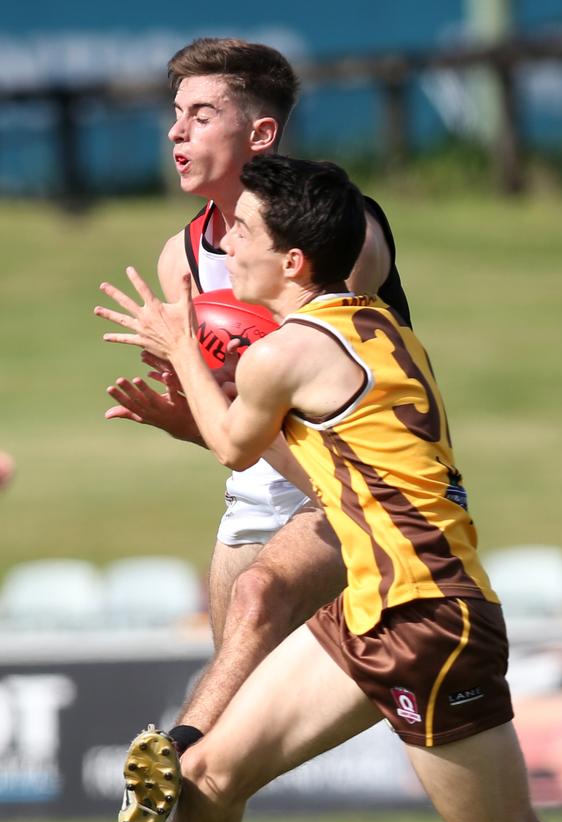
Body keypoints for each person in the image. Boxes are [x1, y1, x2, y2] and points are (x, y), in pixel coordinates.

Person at [96, 154, 562, 822]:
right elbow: (326, 477)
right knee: (206, 774)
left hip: (427, 617)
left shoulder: (284, 353)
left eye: (244, 233)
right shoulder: (376, 325)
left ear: (292, 260)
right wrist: (192, 422)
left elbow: (237, 446)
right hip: (372, 606)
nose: (227, 247)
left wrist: (182, 347)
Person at [104, 37, 411, 755]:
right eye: (175, 114)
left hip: (351, 486)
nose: (177, 132)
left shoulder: (340, 233)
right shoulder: (179, 259)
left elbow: (318, 385)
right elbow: (235, 431)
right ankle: (192, 757)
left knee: (253, 608)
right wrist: (186, 417)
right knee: (220, 762)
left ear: (261, 134)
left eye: (202, 115)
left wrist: (205, 358)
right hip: (254, 501)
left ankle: (173, 741)